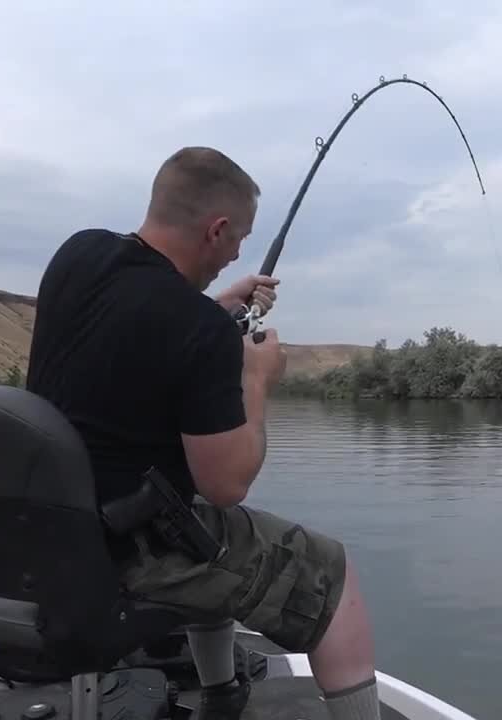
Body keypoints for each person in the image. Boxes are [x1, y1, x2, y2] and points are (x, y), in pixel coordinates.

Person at [25, 146, 380, 720]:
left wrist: (215, 307)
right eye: (239, 236)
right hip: (126, 555)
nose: (239, 250)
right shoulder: (197, 330)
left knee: (206, 532)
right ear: (216, 230)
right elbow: (227, 485)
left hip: (45, 537)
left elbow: (139, 326)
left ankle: (222, 699)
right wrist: (256, 379)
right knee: (332, 576)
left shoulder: (77, 254)